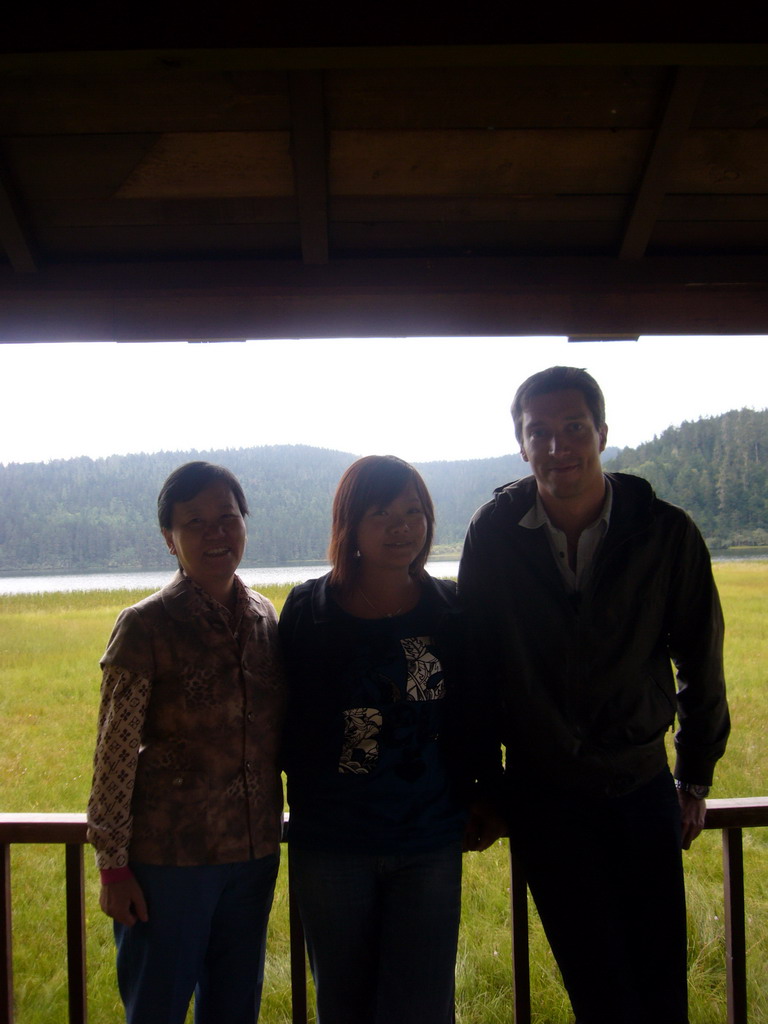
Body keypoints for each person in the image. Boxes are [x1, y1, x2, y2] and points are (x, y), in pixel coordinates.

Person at [458, 366, 730, 1024]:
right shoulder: (493, 535)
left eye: (573, 428)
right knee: (598, 989)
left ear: (603, 433)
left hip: (641, 792)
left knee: (662, 987)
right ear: (520, 446)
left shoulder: (663, 532)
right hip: (545, 800)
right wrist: (490, 790)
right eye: (539, 433)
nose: (558, 446)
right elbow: (474, 671)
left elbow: (702, 655)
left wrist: (693, 776)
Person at [279, 454, 493, 1024]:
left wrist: (486, 795)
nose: (402, 526)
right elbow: (285, 719)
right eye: (382, 513)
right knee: (343, 1003)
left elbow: (475, 716)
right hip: (333, 843)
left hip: (429, 839)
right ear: (349, 525)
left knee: (421, 1005)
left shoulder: (449, 609)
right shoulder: (310, 609)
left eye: (413, 511)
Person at [86, 461, 285, 1024]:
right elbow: (115, 752)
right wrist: (112, 866)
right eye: (194, 522)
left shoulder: (264, 616)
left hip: (252, 855)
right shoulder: (144, 625)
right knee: (158, 1007)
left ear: (245, 523)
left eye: (227, 517)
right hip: (168, 862)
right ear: (169, 539)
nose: (215, 533)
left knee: (234, 1007)